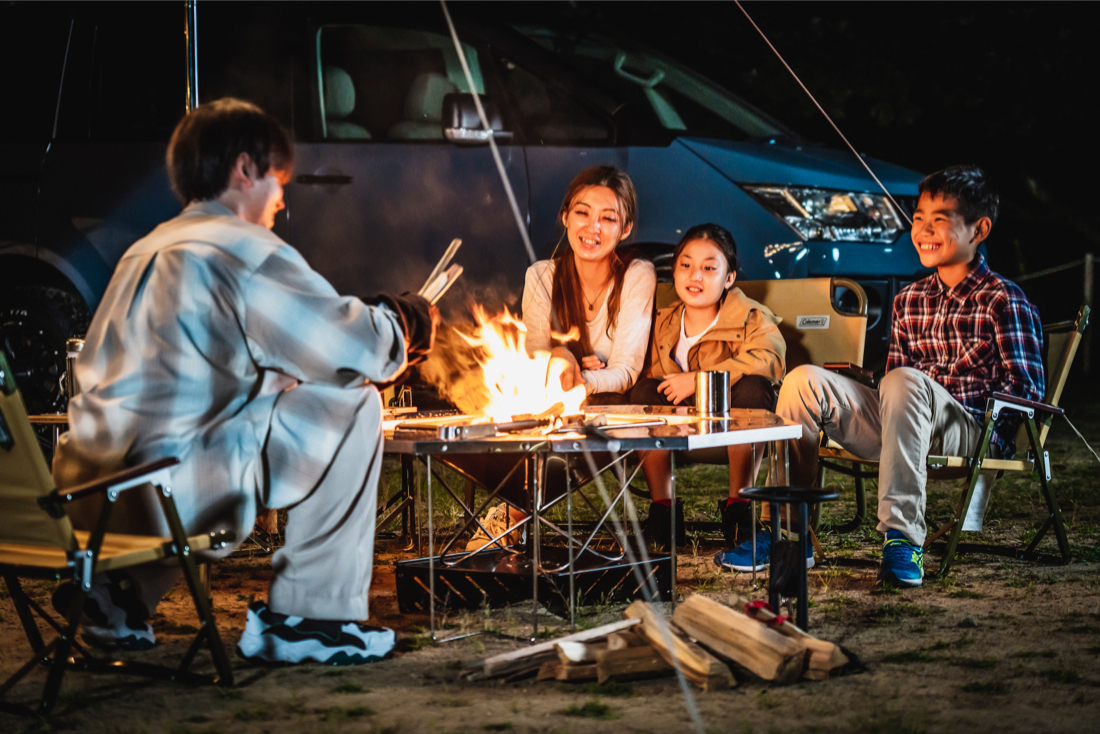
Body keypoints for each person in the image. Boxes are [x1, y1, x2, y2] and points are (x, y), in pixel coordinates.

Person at [51, 98, 437, 663]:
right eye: (277, 179)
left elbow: (184, 380)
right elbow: (352, 352)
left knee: (254, 405)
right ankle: (311, 618)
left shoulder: (145, 249)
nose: (281, 199)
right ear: (243, 170)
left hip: (90, 492)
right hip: (170, 494)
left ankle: (121, 592)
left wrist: (268, 381)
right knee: (352, 400)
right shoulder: (242, 249)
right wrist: (403, 321)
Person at [715, 165, 1044, 588]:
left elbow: (1027, 393)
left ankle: (903, 538)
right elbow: (891, 380)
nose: (923, 230)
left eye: (939, 220)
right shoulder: (910, 299)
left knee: (905, 380)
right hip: (902, 421)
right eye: (919, 219)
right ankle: (788, 533)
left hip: (968, 428)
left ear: (979, 229)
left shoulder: (1003, 299)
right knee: (802, 380)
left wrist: (995, 443)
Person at [465, 165, 656, 550]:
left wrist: (583, 382)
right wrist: (565, 363)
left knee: (593, 410)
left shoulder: (637, 274)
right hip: (555, 399)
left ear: (626, 228)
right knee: (537, 406)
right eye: (583, 212)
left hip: (613, 401)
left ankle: (512, 516)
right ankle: (511, 512)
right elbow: (536, 357)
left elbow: (627, 370)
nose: (593, 227)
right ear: (565, 215)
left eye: (608, 218)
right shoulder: (541, 276)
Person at [629, 224, 785, 550]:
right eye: (685, 265)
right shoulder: (661, 321)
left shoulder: (750, 316)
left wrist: (699, 380)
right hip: (677, 426)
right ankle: (664, 510)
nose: (695, 276)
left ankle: (739, 508)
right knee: (644, 392)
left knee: (755, 389)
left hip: (727, 423)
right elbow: (640, 367)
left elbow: (769, 358)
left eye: (709, 268)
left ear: (729, 278)